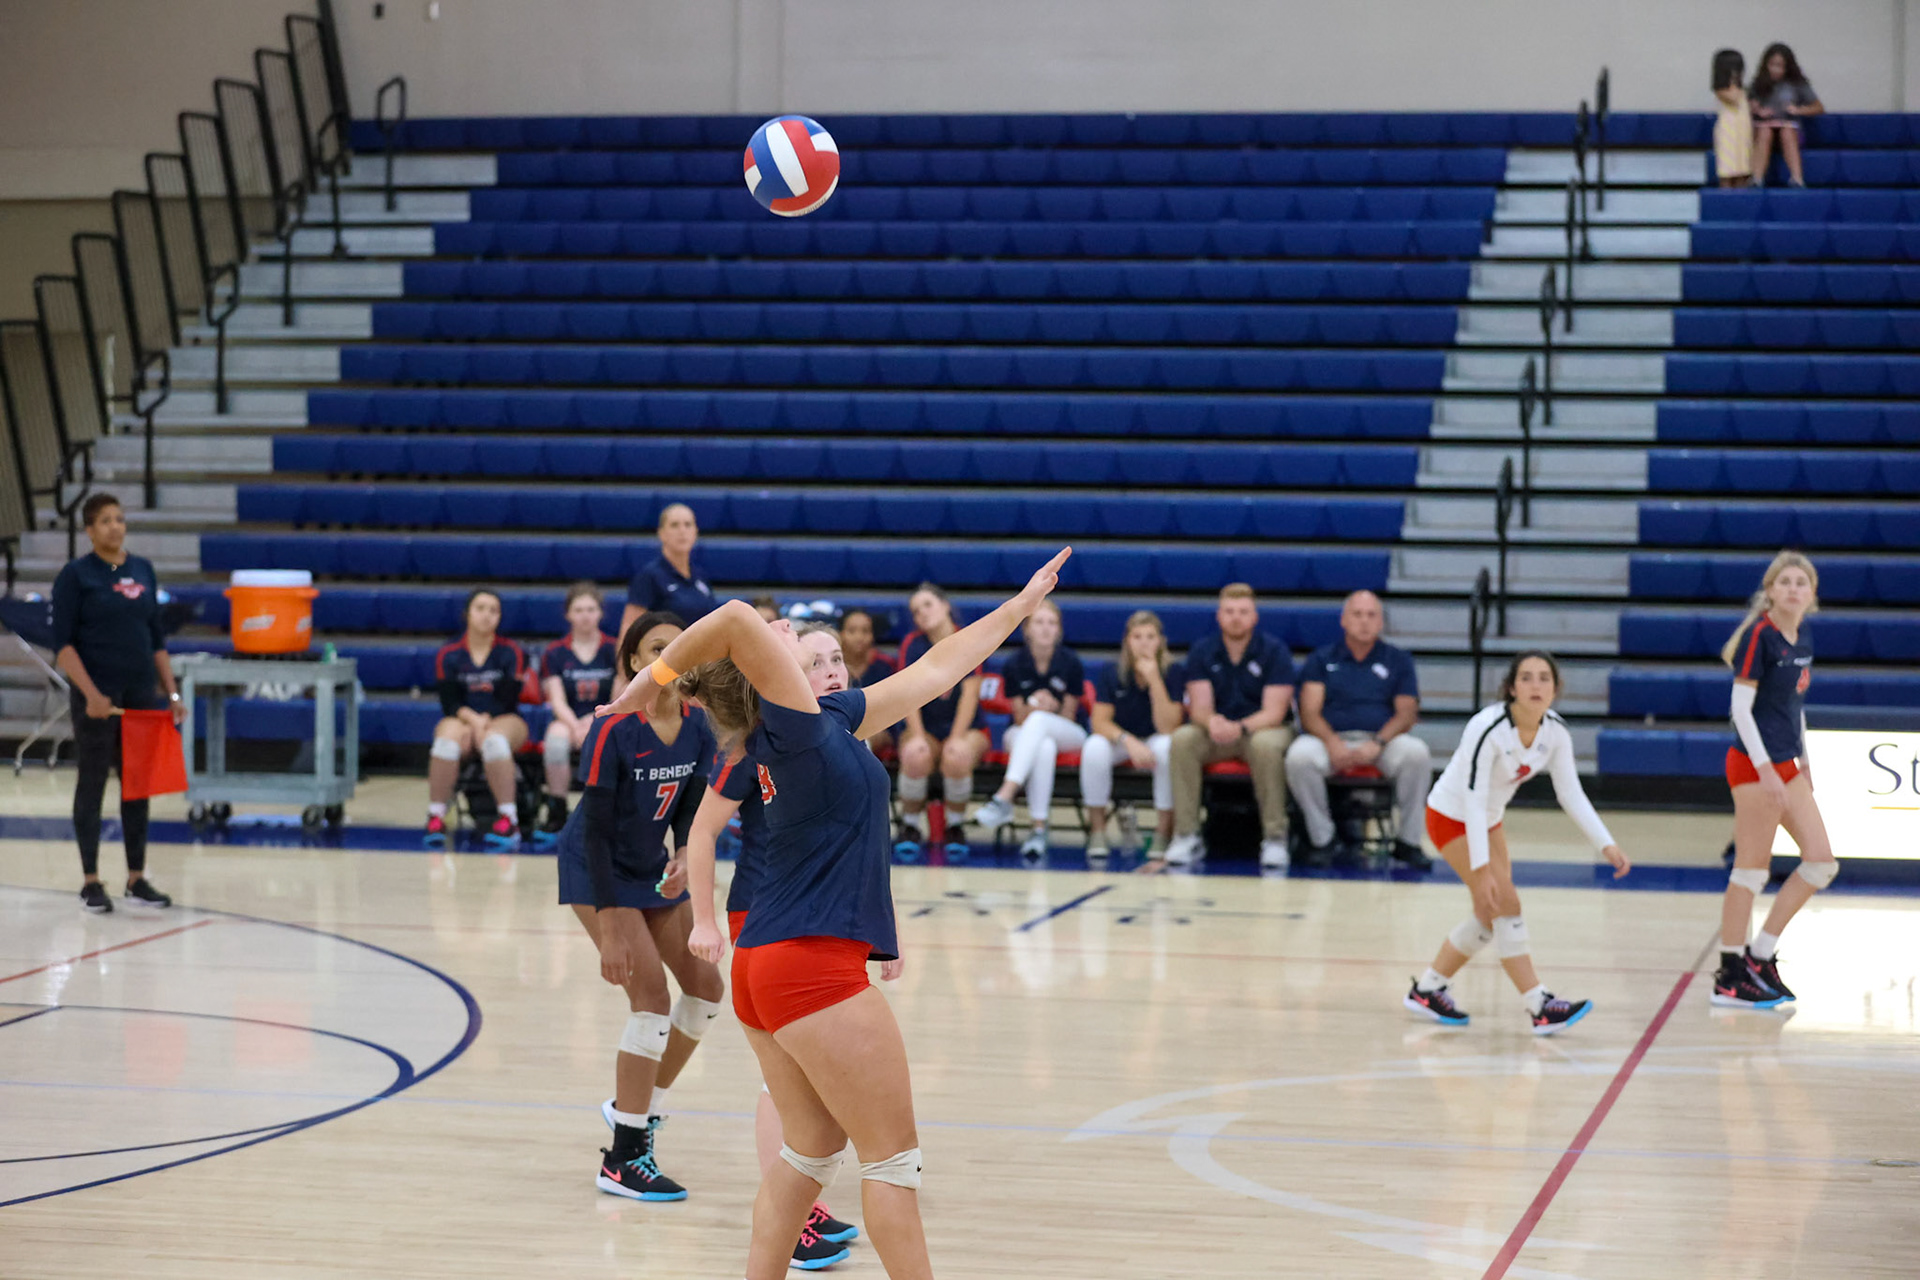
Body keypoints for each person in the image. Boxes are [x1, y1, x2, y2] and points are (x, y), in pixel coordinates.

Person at [601, 547, 1071, 1280]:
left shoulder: (825, 719)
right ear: (764, 670)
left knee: (809, 1154)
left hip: (768, 966)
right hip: (809, 966)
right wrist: (652, 679)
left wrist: (1017, 608)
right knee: (894, 1164)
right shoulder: (788, 723)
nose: (785, 628)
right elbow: (729, 618)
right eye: (786, 636)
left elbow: (935, 671)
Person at [683, 622, 874, 1271]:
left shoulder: (832, 728)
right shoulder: (758, 740)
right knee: (783, 1080)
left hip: (812, 917)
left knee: (809, 1086)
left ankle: (798, 1209)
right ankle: (796, 1215)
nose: (830, 671)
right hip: (766, 912)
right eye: (813, 659)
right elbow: (702, 831)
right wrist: (702, 918)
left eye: (836, 659)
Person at [561, 610, 727, 1201]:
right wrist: (610, 929)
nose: (671, 657)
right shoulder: (614, 726)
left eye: (680, 647)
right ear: (635, 662)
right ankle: (623, 1158)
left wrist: (684, 848)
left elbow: (687, 804)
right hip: (596, 867)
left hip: (649, 866)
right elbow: (596, 834)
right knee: (651, 999)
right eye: (658, 648)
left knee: (707, 987)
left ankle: (635, 1106)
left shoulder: (697, 723)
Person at [1405, 651, 1631, 1035]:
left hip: (1489, 822)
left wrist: (1605, 844)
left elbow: (1570, 793)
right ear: (1512, 688)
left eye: (1544, 678)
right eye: (1526, 678)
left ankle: (1428, 988)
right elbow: (1473, 798)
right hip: (1450, 817)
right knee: (1505, 903)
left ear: (1556, 689)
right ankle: (1538, 1004)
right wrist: (1481, 868)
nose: (1536, 686)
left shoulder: (1555, 732)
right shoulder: (1487, 727)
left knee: (1490, 914)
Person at [1713, 551, 1832, 1009]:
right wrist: (1765, 769)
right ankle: (1728, 974)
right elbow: (1741, 710)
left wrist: (1804, 759)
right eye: (1785, 582)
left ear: (1812, 594)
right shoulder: (1760, 637)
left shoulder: (1802, 637)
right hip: (1753, 766)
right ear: (1771, 590)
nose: (1794, 589)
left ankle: (1760, 955)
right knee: (1750, 871)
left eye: (1802, 582)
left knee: (1820, 863)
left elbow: (1792, 708)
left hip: (1787, 764)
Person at [50, 492, 177, 913]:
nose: (114, 526)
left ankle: (137, 877)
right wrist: (91, 695)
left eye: (119, 519)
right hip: (98, 698)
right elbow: (64, 647)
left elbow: (156, 639)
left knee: (137, 784)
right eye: (105, 520)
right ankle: (90, 879)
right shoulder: (76, 576)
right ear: (89, 529)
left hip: (140, 695)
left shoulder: (143, 570)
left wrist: (171, 693)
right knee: (93, 782)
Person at [1284, 590, 1432, 868]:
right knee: (1299, 757)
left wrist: (1377, 742)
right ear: (1344, 620)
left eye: (1371, 615)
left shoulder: (1398, 660)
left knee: (1417, 754)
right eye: (1357, 614)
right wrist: (1331, 742)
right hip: (1330, 739)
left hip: (1380, 742)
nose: (1364, 621)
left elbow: (1406, 714)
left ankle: (1408, 841)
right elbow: (1309, 712)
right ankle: (1323, 839)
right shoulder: (1322, 658)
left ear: (1381, 623)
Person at [1164, 584, 1297, 870]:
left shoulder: (1274, 651)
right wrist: (1213, 722)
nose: (1236, 617)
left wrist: (1240, 727)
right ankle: (1186, 834)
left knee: (1265, 746)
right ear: (1219, 616)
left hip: (1262, 729)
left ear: (1255, 617)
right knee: (1183, 739)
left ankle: (1275, 837)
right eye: (1229, 611)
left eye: (1243, 612)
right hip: (1218, 731)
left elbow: (1274, 712)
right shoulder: (1203, 650)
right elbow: (1199, 707)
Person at [969, 599, 1086, 858]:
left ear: (1059, 630)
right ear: (1027, 629)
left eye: (1052, 623)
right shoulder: (1014, 664)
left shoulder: (1071, 663)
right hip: (1023, 731)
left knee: (1040, 725)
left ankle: (1005, 796)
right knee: (1042, 745)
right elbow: (1019, 717)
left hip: (1067, 731)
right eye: (1040, 622)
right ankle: (1038, 829)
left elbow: (1069, 715)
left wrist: (1051, 707)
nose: (1046, 628)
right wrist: (1035, 706)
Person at [425, 589, 531, 848]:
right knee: (446, 741)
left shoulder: (511, 652)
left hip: (505, 718)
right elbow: (450, 702)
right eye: (481, 608)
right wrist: (473, 722)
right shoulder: (449, 653)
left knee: (494, 740)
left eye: (493, 610)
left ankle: (509, 819)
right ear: (468, 614)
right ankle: (436, 815)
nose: (487, 615)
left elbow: (507, 700)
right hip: (462, 717)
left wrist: (482, 724)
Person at [1079, 610, 1185, 858]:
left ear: (1160, 641)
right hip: (1123, 739)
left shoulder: (1173, 671)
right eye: (1137, 637)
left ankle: (1162, 831)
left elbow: (1168, 726)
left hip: (1156, 737)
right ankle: (1098, 830)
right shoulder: (1112, 671)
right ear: (1128, 641)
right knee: (1094, 747)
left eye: (1150, 636)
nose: (1144, 643)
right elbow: (1099, 722)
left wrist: (1154, 680)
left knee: (1168, 747)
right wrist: (1128, 742)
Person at [894, 582, 986, 858]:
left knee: (956, 754)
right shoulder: (912, 645)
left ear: (945, 606)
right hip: (927, 726)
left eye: (927, 605)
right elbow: (906, 695)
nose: (921, 613)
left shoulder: (968, 640)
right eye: (916, 610)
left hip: (968, 727)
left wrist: (956, 738)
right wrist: (919, 736)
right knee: (915, 752)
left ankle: (955, 826)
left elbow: (970, 696)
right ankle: (910, 825)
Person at [537, 582, 617, 843]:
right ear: (568, 614)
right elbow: (556, 699)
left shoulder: (613, 649)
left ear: (600, 613)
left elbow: (618, 696)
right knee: (555, 741)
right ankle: (557, 809)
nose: (585, 615)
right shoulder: (556, 652)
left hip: (606, 716)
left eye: (591, 609)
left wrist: (593, 721)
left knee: (609, 738)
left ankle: (604, 811)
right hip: (568, 720)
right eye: (579, 609)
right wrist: (576, 726)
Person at [621, 502, 715, 641]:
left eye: (688, 524)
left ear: (695, 532)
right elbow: (629, 629)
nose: (682, 531)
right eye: (674, 525)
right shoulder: (650, 576)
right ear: (661, 533)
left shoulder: (700, 576)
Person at [1750, 42, 1822, 188]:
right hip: (1764, 130)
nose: (1776, 70)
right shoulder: (1757, 83)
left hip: (1790, 130)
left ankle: (1797, 178)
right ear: (1766, 64)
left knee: (1787, 131)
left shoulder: (1797, 84)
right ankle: (1757, 179)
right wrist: (1757, 110)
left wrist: (1797, 110)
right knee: (1764, 131)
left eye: (1780, 66)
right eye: (1772, 65)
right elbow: (1746, 106)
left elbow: (1818, 107)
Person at [840, 606, 898, 759]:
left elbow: (893, 709)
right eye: (852, 631)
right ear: (841, 634)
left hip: (879, 729)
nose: (859, 637)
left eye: (865, 631)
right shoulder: (831, 667)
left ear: (872, 635)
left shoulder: (885, 665)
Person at [1711, 48, 1752, 187]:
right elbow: (1734, 98)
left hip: (1743, 130)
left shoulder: (1744, 89)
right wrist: (1733, 80)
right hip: (1728, 131)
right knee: (1727, 171)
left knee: (1743, 171)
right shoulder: (1721, 89)